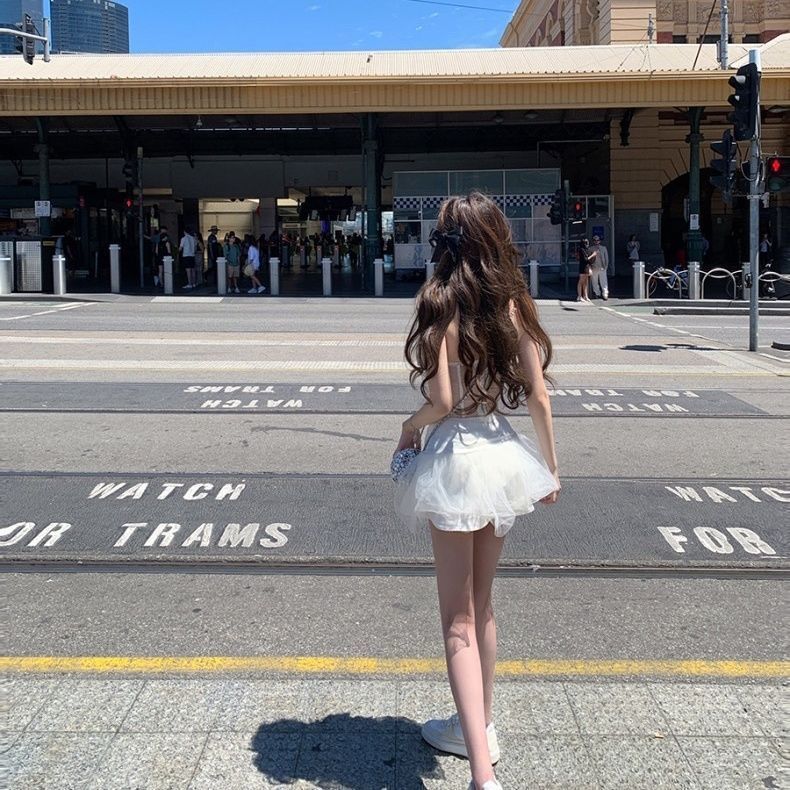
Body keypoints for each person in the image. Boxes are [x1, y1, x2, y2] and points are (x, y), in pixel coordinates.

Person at [393, 192, 560, 790]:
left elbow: (441, 401)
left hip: (455, 460)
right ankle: (478, 730)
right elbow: (538, 398)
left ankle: (482, 776)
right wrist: (551, 470)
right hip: (500, 454)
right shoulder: (512, 305)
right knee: (483, 606)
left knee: (456, 620)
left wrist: (408, 427)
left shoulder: (441, 303)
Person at [589, 234, 610, 299]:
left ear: (600, 241)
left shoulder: (603, 248)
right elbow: (589, 258)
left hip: (602, 267)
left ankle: (605, 294)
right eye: (595, 240)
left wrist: (606, 266)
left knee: (603, 281)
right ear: (593, 241)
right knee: (594, 282)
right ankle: (597, 293)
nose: (596, 241)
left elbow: (606, 258)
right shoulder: (591, 249)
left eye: (597, 240)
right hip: (594, 267)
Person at [576, 238, 594, 302]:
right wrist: (593, 255)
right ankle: (579, 296)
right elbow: (585, 259)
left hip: (587, 266)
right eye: (586, 243)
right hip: (583, 267)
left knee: (586, 282)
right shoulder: (581, 250)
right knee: (581, 281)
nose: (587, 244)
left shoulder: (586, 250)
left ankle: (585, 296)